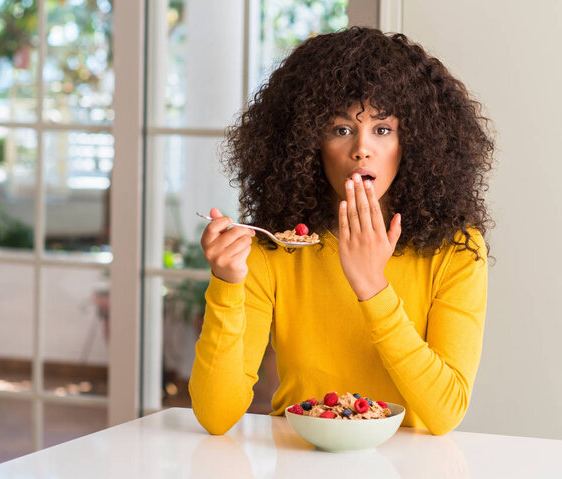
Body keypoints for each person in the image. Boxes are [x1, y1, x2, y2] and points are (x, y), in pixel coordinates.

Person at [189, 26, 494, 436]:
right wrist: (226, 284)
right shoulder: (276, 247)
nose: (361, 149)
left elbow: (445, 414)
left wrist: (372, 286)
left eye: (382, 130)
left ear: (414, 142)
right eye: (341, 129)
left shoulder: (454, 249)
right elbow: (216, 415)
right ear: (307, 143)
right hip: (300, 461)